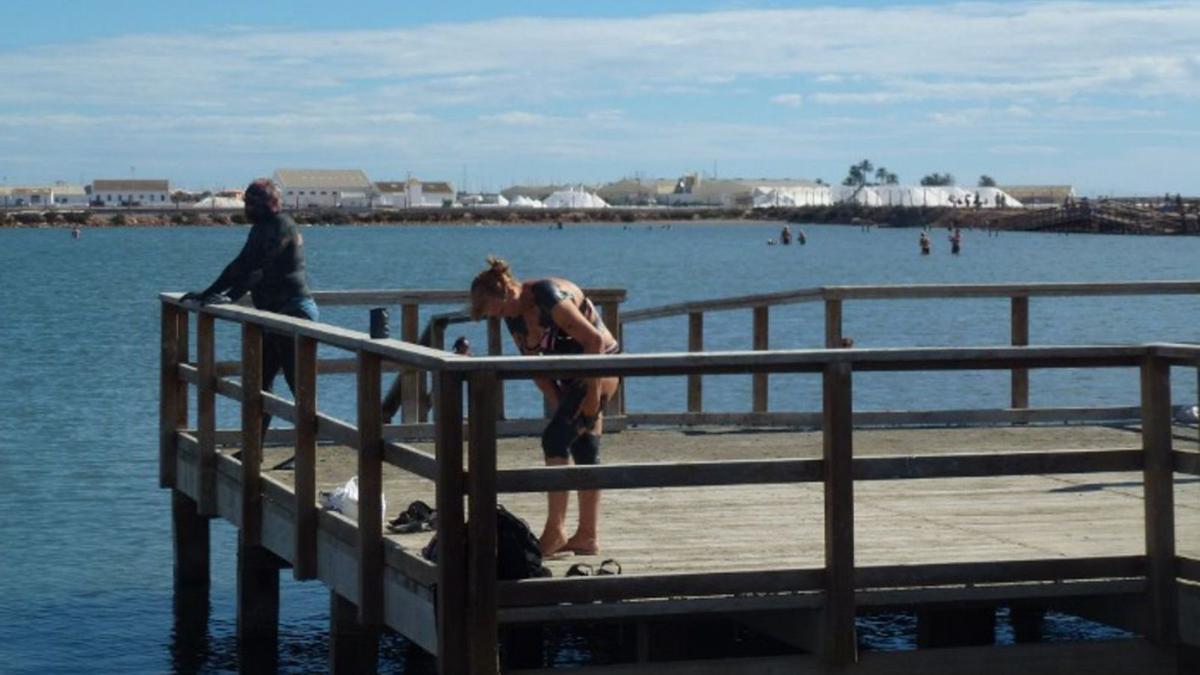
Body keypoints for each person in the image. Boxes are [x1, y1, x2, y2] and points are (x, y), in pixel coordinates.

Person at [470, 256, 619, 556]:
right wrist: (558, 402)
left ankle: (556, 530)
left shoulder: (548, 297)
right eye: (493, 315)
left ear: (507, 291)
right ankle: (587, 536)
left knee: (553, 439)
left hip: (599, 369)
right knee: (583, 448)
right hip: (568, 379)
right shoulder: (514, 317)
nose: (499, 317)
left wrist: (591, 396)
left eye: (497, 310)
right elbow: (535, 367)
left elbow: (594, 342)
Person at [181, 178, 318, 444]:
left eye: (255, 202)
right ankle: (254, 449)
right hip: (271, 316)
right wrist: (209, 293)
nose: (248, 207)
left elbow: (259, 270)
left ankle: (307, 449)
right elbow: (240, 265)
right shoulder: (258, 229)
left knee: (299, 386)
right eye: (247, 202)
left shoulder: (282, 225)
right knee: (258, 385)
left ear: (273, 203)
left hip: (293, 312)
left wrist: (229, 297)